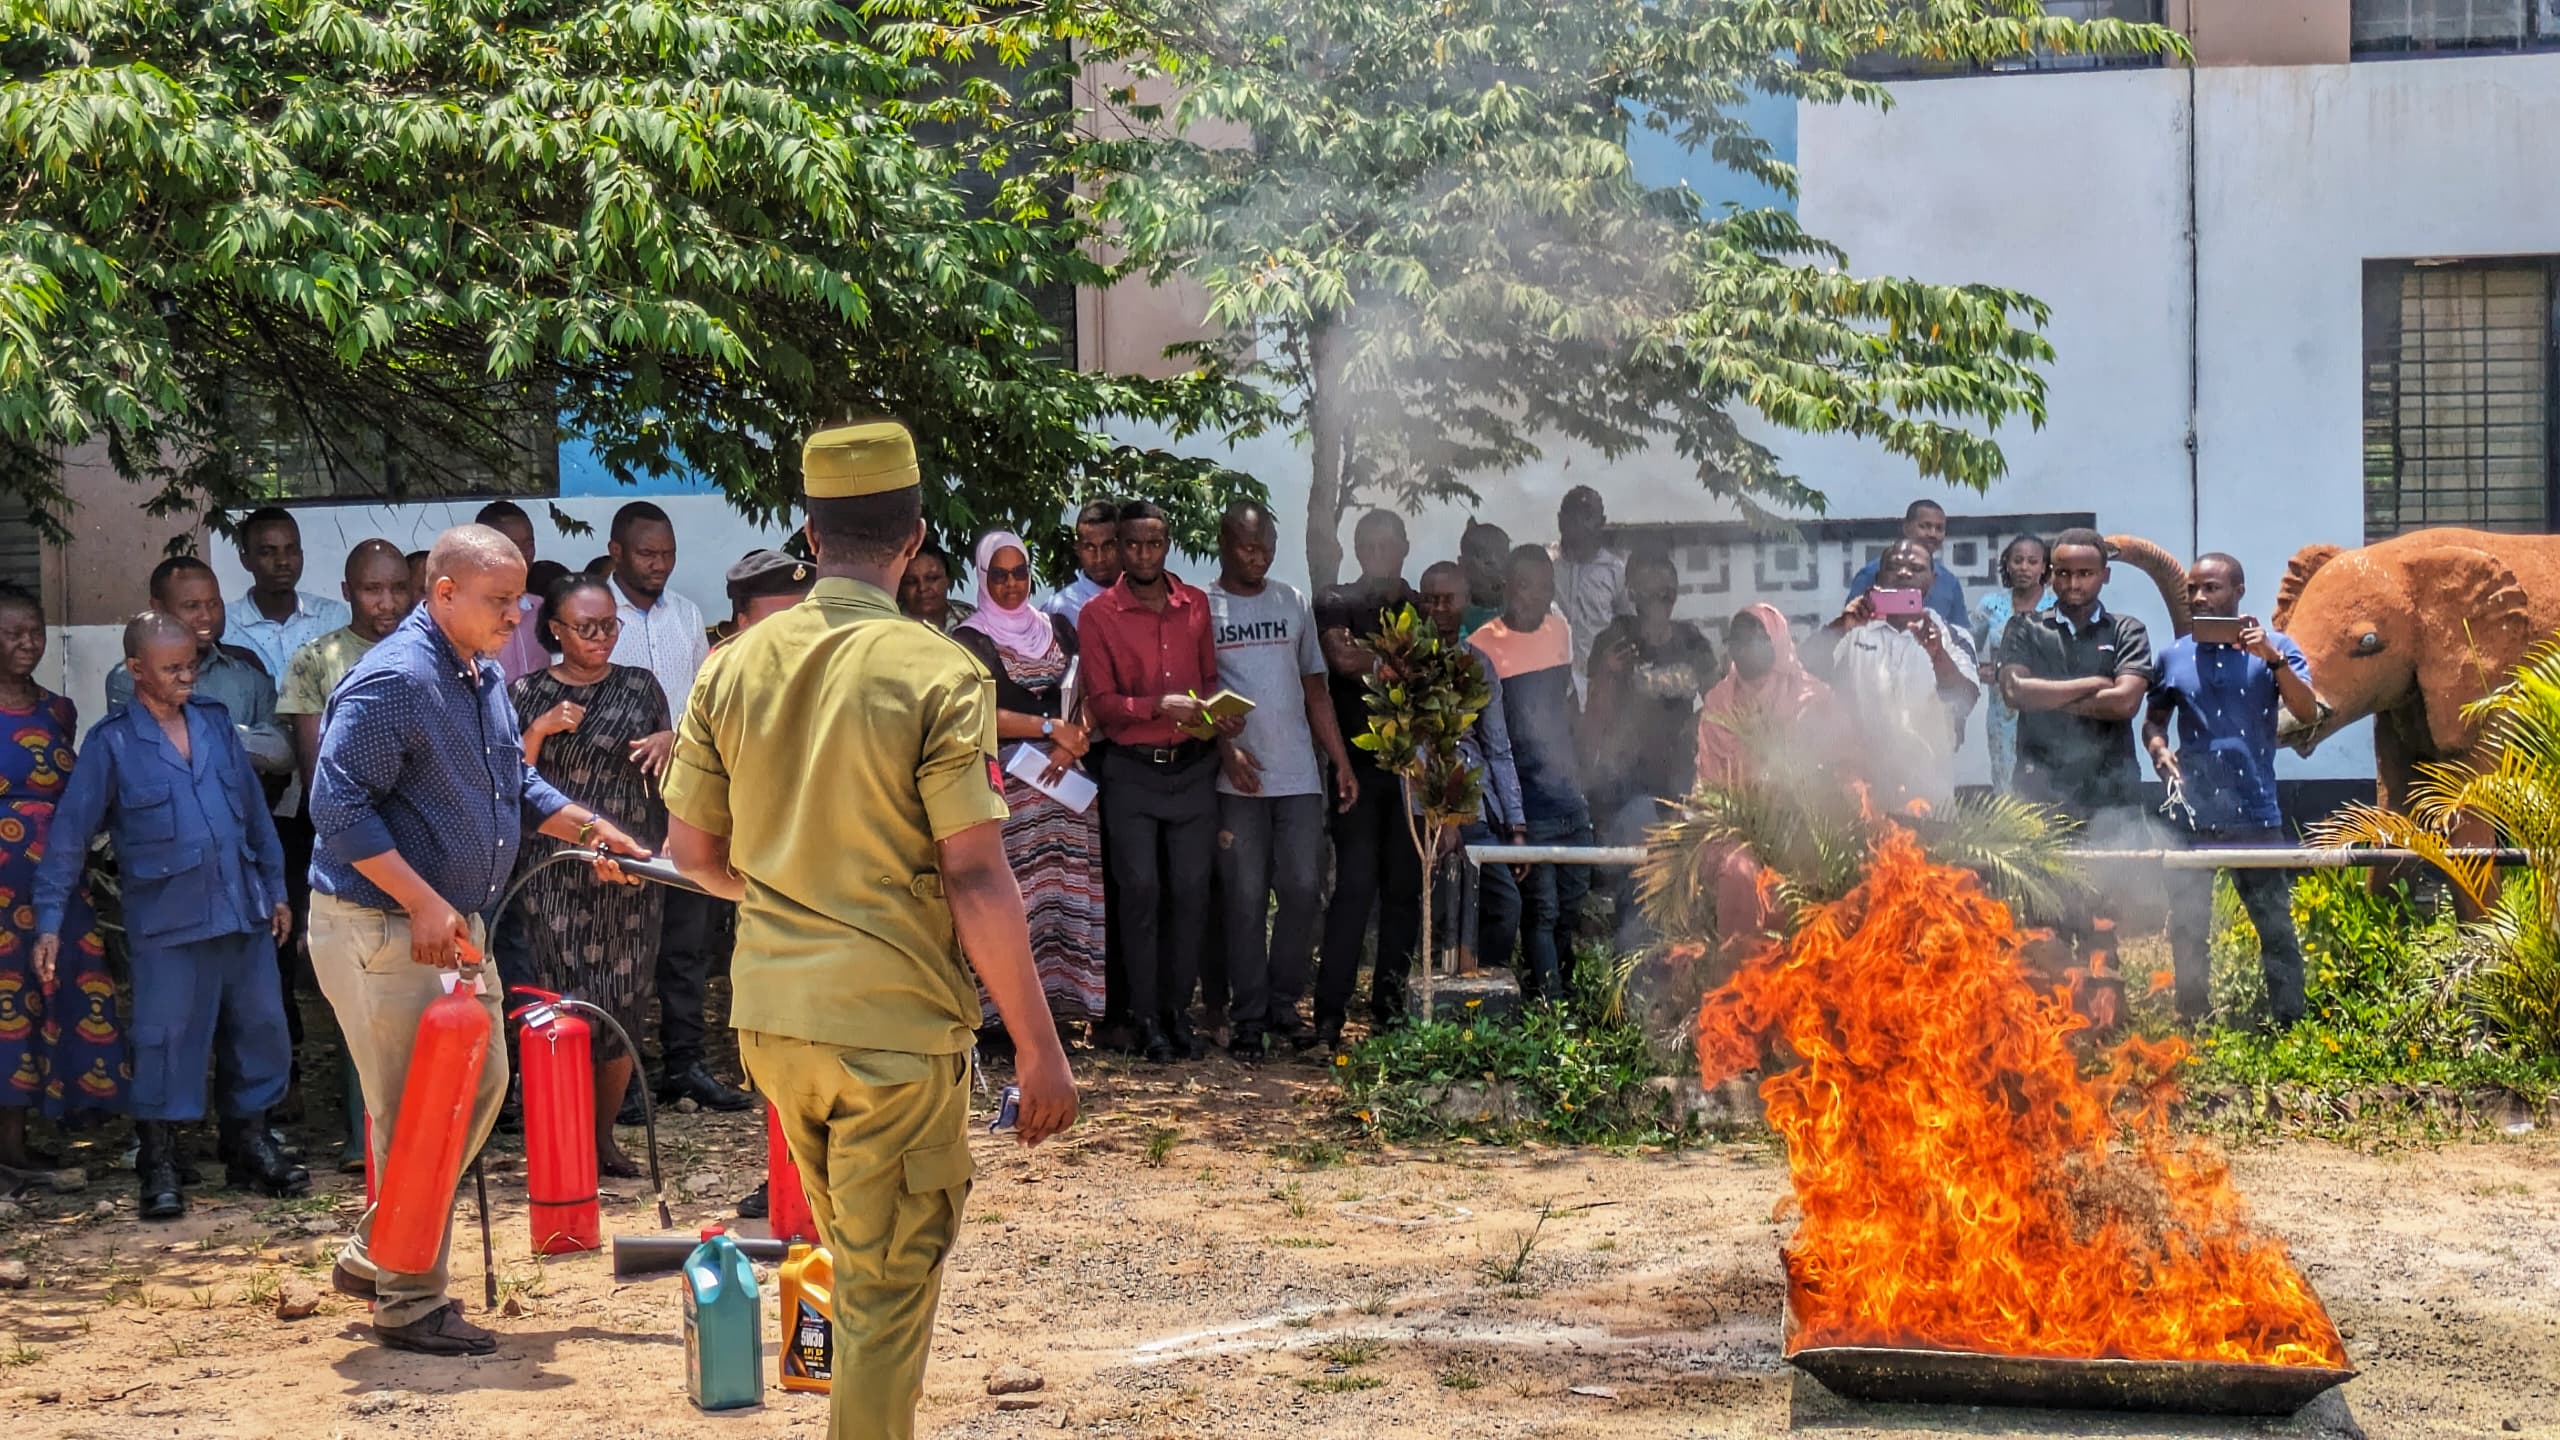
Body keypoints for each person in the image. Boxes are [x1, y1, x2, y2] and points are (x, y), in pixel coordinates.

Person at [661, 419, 1077, 1440]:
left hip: (775, 1024)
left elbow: (694, 857)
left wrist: (792, 894)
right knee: (887, 1291)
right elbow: (975, 875)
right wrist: (1040, 1047)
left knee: (857, 1257)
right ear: (916, 541)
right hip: (890, 1029)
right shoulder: (938, 671)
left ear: (808, 537)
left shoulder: (731, 665)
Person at [308, 524, 648, 1357]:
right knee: (412, 1109)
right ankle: (411, 1302)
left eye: (520, 599)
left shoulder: (483, 672)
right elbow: (337, 808)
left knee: (483, 1086)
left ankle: (377, 1248)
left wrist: (591, 828)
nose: (517, 615)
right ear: (445, 592)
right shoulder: (394, 680)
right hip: (388, 928)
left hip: (455, 929)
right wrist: (424, 903)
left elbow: (516, 781)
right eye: (501, 601)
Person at [35, 612, 301, 1218]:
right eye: (172, 668)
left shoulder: (212, 724)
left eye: (191, 665)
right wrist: (49, 917)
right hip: (167, 920)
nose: (187, 676)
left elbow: (254, 816)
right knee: (164, 1039)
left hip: (242, 909)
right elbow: (70, 836)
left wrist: (275, 888)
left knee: (261, 1027)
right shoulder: (113, 743)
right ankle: (160, 1159)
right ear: (135, 671)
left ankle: (250, 1145)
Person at [511, 575, 673, 1177]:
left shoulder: (640, 685)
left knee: (625, 1001)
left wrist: (669, 737)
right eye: (587, 627)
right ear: (555, 629)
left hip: (629, 866)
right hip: (557, 871)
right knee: (567, 1000)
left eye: (609, 626)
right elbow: (512, 784)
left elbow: (663, 766)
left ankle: (603, 1137)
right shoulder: (525, 692)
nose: (601, 637)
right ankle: (565, 1138)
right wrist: (540, 730)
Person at [1081, 501, 1240, 1062]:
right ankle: (1144, 1017)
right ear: (1120, 547)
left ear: (1168, 543)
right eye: (1134, 545)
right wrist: (1159, 706)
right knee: (1141, 893)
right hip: (1131, 774)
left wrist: (1222, 720)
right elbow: (1101, 704)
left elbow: (1211, 679)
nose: (1145, 555)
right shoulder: (1100, 613)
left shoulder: (1193, 605)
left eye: (1155, 543)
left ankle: (1177, 1013)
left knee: (1191, 894)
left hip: (1192, 769)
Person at [276, 538, 415, 1173]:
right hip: (353, 846)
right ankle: (367, 1142)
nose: (385, 603)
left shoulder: (431, 654)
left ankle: (430, 1137)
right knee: (363, 1000)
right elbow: (317, 773)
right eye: (370, 590)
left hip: (427, 850)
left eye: (396, 590)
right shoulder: (316, 660)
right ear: (347, 590)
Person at [1203, 502, 1357, 1057]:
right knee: (1243, 900)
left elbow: (1315, 687)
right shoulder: (1205, 607)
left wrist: (1338, 760)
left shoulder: (1291, 601)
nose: (1259, 556)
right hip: (1237, 781)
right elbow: (1200, 698)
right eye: (1248, 546)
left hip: (1297, 776)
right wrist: (1226, 751)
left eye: (1267, 546)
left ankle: (1282, 1003)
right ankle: (1247, 1018)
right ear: (1224, 542)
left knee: (1300, 890)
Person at [601, 501, 738, 1112]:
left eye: (668, 554)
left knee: (687, 939)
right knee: (622, 942)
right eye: (646, 554)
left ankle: (687, 1064)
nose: (660, 565)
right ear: (616, 553)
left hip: (681, 792)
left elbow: (698, 706)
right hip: (614, 796)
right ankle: (623, 1078)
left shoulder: (685, 615)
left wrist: (675, 735)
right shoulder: (594, 612)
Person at [2143, 553, 2317, 1030]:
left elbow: (2307, 712)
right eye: (2194, 589)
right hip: (2192, 815)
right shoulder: (2173, 655)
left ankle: (2290, 1025)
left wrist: (2273, 660)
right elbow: (2153, 722)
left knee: (2274, 924)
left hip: (2256, 813)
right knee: (2188, 925)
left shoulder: (2277, 647)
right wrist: (2160, 752)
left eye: (2212, 588)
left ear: (2238, 591)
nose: (2200, 597)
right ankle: (2194, 1022)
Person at [950, 530, 1106, 1037]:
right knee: (1019, 900)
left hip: (1069, 788)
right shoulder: (970, 638)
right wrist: (1046, 729)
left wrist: (1072, 737)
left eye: (1020, 573)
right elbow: (976, 714)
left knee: (1066, 894)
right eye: (1000, 575)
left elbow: (1084, 690)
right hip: (1012, 791)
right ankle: (1005, 1020)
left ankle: (1061, 1013)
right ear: (982, 577)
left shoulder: (1058, 628)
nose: (1013, 584)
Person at [1999, 528, 2155, 1021]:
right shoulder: (2023, 628)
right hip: (2040, 791)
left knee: (2102, 911)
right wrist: (2092, 685)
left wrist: (2054, 696)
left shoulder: (2126, 631)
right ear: (2050, 575)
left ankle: (2106, 1019)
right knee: (2043, 912)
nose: (2072, 583)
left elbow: (2127, 702)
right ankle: (2051, 1021)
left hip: (2107, 794)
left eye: (2084, 573)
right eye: (2062, 573)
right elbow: (2016, 694)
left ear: (2103, 576)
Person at [0, 586, 123, 1180]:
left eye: (34, 632)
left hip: (53, 881)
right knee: (6, 1005)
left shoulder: (59, 710)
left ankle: (38, 1132)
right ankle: (10, 1148)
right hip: (0, 888)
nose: (27, 644)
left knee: (57, 992)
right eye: (11, 634)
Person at [706, 548, 814, 1224]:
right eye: (778, 618)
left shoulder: (834, 669)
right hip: (757, 886)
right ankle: (784, 1176)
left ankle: (813, 1180)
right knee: (776, 1043)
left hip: (837, 888)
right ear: (741, 620)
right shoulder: (722, 678)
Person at [1312, 509, 1421, 1046]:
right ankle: (1329, 1014)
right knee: (1354, 887)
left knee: (1404, 891)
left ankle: (1390, 1007)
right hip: (1354, 769)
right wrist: (1393, 659)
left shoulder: (1421, 607)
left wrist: (1375, 655)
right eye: (1369, 546)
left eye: (1389, 545)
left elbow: (1432, 673)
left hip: (1410, 772)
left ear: (1405, 547)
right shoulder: (1337, 600)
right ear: (1357, 551)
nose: (1380, 554)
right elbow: (1341, 658)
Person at [1580, 548, 1718, 948]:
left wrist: (1696, 727)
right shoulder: (1615, 638)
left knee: (1681, 884)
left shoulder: (1691, 640)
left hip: (1680, 781)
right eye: (1654, 591)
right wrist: (1608, 673)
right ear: (1633, 593)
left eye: (1668, 592)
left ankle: (1671, 976)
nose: (1662, 598)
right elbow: (1596, 714)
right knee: (1638, 879)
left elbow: (1721, 700)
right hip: (1626, 784)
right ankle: (1632, 978)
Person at [1470, 545, 1591, 1001]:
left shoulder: (1560, 630)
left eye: (1546, 587)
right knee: (1541, 908)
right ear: (1507, 586)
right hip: (1527, 801)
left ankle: (1564, 988)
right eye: (1526, 585)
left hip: (1568, 796)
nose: (1536, 596)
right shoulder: (1482, 644)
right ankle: (1550, 1006)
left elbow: (1568, 707)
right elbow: (1490, 737)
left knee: (1572, 904)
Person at [1812, 539, 1981, 812]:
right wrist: (1841, 625)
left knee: (1924, 855)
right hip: (1862, 789)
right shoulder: (1853, 629)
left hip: (1929, 789)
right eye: (1894, 567)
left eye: (1916, 568)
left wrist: (1937, 654)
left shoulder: (1952, 636)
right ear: (1879, 578)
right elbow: (1804, 668)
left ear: (1932, 581)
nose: (1904, 573)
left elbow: (1965, 700)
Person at [1416, 563, 1525, 980]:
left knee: (1503, 904)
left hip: (1477, 810)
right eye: (1431, 599)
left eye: (1449, 599)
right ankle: (1435, 1007)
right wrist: (1440, 817)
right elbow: (1408, 751)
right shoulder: (1403, 664)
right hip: (1421, 816)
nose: (1440, 608)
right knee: (1440, 913)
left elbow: (1497, 748)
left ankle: (1485, 996)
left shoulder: (1479, 665)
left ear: (1465, 603)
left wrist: (1516, 823)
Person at [226, 506, 352, 682]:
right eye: (267, 552)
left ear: (301, 555)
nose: (283, 561)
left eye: (291, 550)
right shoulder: (225, 626)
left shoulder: (331, 617)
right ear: (245, 560)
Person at [1972, 535, 2054, 792]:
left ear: (2044, 567)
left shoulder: (2057, 606)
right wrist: (1982, 671)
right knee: (2006, 777)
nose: (2024, 568)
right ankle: (2009, 831)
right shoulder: (1991, 605)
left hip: (2047, 706)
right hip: (2002, 709)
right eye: (2017, 561)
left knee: (2045, 778)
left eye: (2032, 561)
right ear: (2006, 564)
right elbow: (1964, 647)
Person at [1550, 486, 1634, 694]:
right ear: (1560, 519)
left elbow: (1629, 626)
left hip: (1601, 683)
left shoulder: (1616, 572)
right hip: (1554, 682)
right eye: (1572, 515)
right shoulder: (1546, 567)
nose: (1578, 523)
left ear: (1601, 522)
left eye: (1586, 516)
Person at [1845, 499, 1969, 632]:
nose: (1933, 534)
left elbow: (1961, 633)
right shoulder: (1873, 573)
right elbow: (1848, 627)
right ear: (1906, 528)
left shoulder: (1949, 582)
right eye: (1925, 526)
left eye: (1939, 529)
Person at [477, 500, 551, 682]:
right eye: (512, 546)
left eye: (529, 544)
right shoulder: (467, 617)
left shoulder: (542, 609)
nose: (524, 554)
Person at [1043, 499, 1124, 625]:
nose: (1100, 558)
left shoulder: (1150, 597)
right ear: (1078, 549)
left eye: (1108, 546)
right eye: (1090, 548)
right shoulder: (1062, 609)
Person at [897, 541, 976, 635]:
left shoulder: (970, 620)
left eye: (931, 578)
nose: (922, 588)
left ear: (948, 579)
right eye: (911, 582)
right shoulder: (890, 624)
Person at [1458, 520, 1511, 638]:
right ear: (1463, 565)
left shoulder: (1525, 609)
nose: (1500, 570)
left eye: (1505, 558)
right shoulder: (1452, 618)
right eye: (1489, 563)